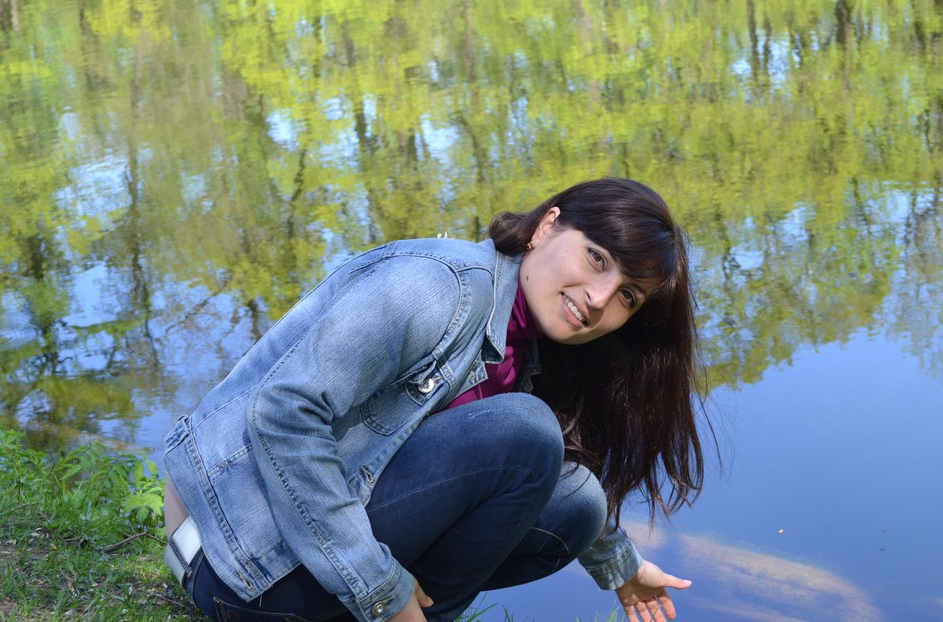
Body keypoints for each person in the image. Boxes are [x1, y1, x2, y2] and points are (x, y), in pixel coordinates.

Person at [162, 177, 706, 622]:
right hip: (235, 562)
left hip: (291, 558)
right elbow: (283, 414)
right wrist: (383, 592)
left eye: (627, 296)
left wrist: (622, 566)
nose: (600, 298)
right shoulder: (439, 287)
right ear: (547, 226)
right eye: (596, 258)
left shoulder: (521, 347)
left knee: (578, 504)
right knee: (529, 433)